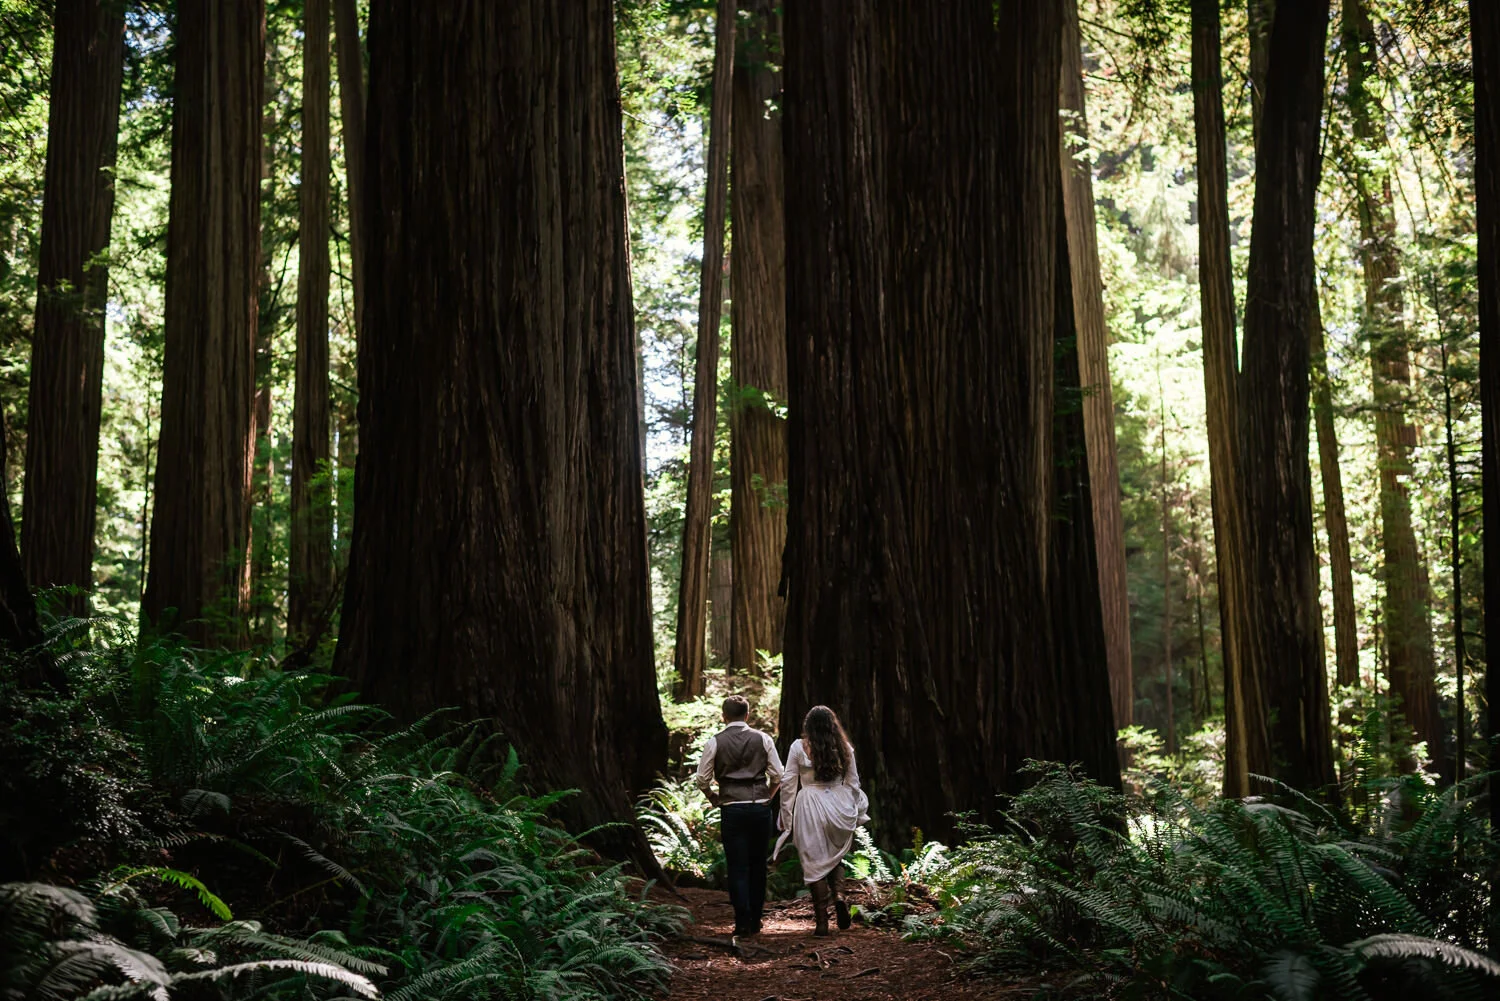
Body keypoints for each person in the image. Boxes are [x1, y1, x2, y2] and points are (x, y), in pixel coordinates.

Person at [693, 695, 784, 938]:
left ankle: (741, 920)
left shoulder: (715, 742)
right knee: (758, 865)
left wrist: (713, 797)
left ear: (724, 717)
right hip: (759, 808)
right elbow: (778, 774)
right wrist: (769, 795)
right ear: (747, 715)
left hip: (732, 809)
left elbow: (701, 778)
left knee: (737, 866)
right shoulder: (763, 738)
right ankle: (756, 919)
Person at [776, 705, 869, 936]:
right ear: (832, 725)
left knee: (814, 861)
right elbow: (854, 782)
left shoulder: (798, 747)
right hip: (838, 804)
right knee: (834, 856)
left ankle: (821, 923)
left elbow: (788, 783)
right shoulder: (845, 748)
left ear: (808, 725)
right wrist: (853, 809)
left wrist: (786, 816)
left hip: (809, 804)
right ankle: (839, 896)